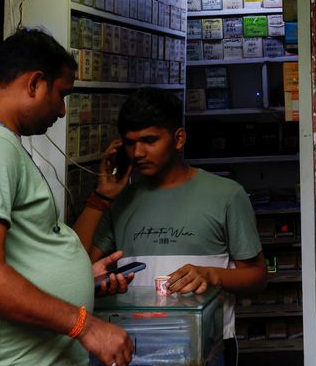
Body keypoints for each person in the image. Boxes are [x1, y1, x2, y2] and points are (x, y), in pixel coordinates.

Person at [0, 28, 135, 366]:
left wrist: (81, 275)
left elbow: (25, 250)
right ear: (35, 83)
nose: (63, 112)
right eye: (62, 94)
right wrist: (85, 326)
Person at [73, 88, 267, 363]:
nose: (138, 152)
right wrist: (101, 196)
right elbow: (75, 268)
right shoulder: (120, 200)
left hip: (206, 344)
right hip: (135, 342)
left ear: (178, 138)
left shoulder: (226, 194)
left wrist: (213, 275)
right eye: (130, 143)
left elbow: (257, 277)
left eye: (149, 140)